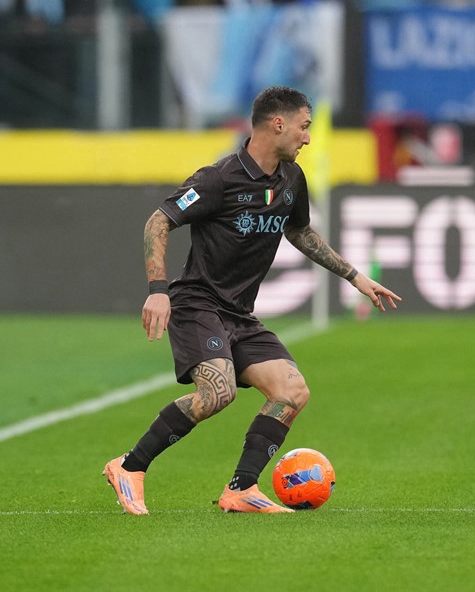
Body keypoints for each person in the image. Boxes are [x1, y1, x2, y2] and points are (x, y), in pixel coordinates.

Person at [103, 86, 402, 514]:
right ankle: (129, 466)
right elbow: (158, 221)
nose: (307, 137)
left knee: (292, 391)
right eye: (303, 127)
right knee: (218, 391)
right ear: (277, 124)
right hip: (197, 304)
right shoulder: (218, 178)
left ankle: (241, 489)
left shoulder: (291, 178)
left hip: (239, 314)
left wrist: (354, 276)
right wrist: (158, 292)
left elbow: (299, 231)